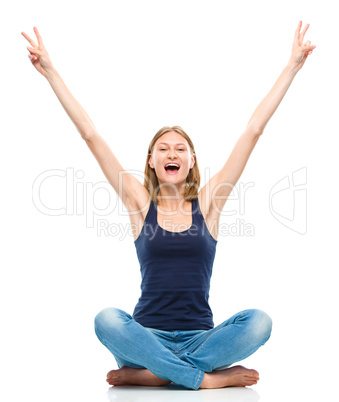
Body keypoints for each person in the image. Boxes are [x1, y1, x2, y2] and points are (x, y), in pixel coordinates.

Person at [22, 21, 315, 390]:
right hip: (145, 337)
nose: (171, 153)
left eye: (180, 149)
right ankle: (203, 380)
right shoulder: (138, 200)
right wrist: (50, 72)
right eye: (163, 148)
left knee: (260, 322)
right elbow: (90, 134)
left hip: (201, 339)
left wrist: (291, 66)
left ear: (191, 161)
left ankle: (153, 375)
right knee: (107, 319)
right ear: (151, 161)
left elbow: (253, 131)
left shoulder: (209, 203)